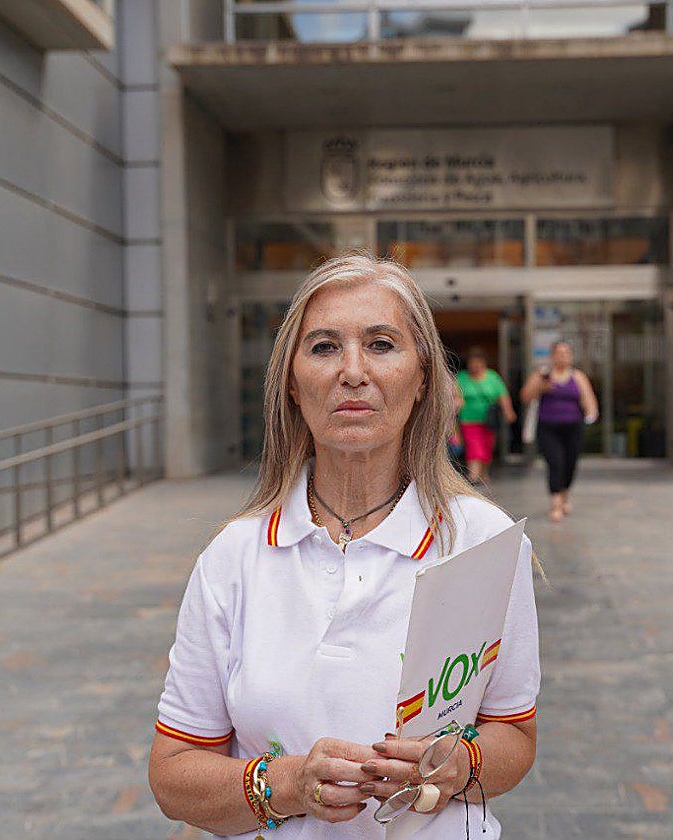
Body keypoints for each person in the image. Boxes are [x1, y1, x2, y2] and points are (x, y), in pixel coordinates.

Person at [148, 253, 541, 840]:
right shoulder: (233, 558)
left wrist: (460, 764)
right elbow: (173, 773)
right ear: (292, 381)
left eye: (381, 344)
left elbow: (513, 733)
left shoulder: (482, 543)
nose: (352, 371)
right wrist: (287, 784)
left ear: (423, 379)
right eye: (324, 346)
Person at [520, 339, 599, 522]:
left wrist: (591, 413)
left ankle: (564, 494)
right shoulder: (542, 374)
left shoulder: (577, 376)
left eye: (566, 353)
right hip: (548, 427)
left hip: (573, 427)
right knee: (555, 462)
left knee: (569, 463)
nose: (562, 357)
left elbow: (588, 399)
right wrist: (541, 386)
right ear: (552, 356)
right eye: (559, 353)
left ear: (570, 357)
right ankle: (556, 503)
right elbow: (525, 396)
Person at [455, 347, 517, 485]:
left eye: (478, 363)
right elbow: (455, 395)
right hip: (469, 419)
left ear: (484, 363)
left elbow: (502, 395)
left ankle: (483, 473)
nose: (475, 366)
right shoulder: (462, 377)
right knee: (474, 446)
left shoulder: (492, 377)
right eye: (472, 363)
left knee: (487, 447)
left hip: (489, 420)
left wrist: (508, 411)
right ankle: (473, 475)